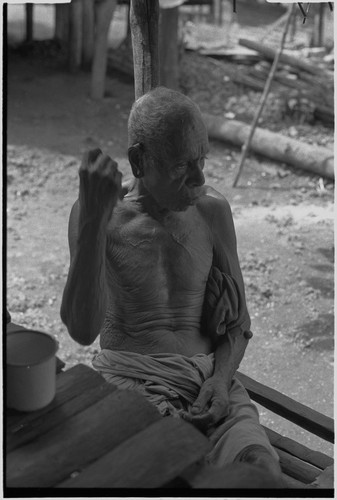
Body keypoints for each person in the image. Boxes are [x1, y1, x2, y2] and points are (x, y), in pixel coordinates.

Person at [61, 86, 283, 486]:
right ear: (139, 160)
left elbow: (239, 324)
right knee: (169, 474)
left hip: (209, 384)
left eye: (203, 161)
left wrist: (219, 380)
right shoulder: (100, 216)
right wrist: (93, 217)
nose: (199, 179)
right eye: (183, 165)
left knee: (259, 472)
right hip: (131, 383)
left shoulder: (213, 212)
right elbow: (81, 328)